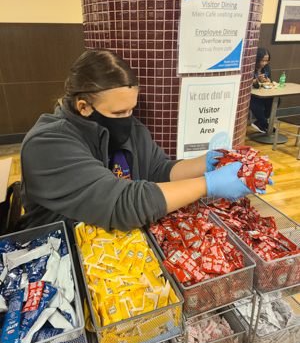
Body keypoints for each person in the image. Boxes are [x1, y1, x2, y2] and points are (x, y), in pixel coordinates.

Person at [18, 49, 258, 234]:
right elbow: (121, 204)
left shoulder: (133, 129)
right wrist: (208, 185)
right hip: (60, 250)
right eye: (118, 113)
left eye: (131, 109)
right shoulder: (46, 145)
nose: (128, 120)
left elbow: (158, 169)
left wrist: (207, 163)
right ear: (84, 107)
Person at [250, 48, 275, 133]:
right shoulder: (250, 67)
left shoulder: (267, 67)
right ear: (256, 59)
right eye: (262, 61)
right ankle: (265, 124)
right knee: (257, 105)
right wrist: (257, 80)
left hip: (264, 93)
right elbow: (245, 83)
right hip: (252, 95)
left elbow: (270, 80)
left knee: (275, 101)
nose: (264, 63)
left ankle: (261, 122)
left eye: (266, 61)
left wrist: (268, 81)